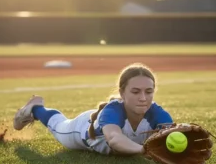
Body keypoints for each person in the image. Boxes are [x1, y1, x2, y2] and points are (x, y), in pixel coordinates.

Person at [13, 63, 173, 155]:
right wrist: (145, 151)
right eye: (135, 91)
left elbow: (171, 137)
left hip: (101, 121)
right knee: (59, 125)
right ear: (122, 92)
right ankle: (35, 108)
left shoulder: (157, 113)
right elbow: (115, 139)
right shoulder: (114, 111)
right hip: (81, 130)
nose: (143, 98)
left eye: (149, 91)